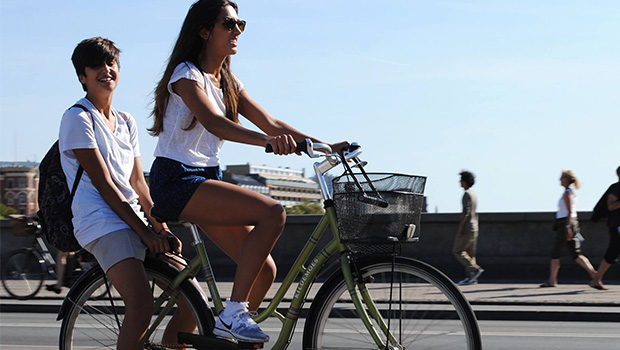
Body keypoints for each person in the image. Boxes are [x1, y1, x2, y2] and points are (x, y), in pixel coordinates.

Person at [148, 0, 347, 343]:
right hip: (176, 179)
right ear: (205, 31)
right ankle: (233, 314)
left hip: (206, 180)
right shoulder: (186, 75)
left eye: (241, 24)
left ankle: (220, 335)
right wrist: (270, 143)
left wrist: (328, 147)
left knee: (265, 272)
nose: (237, 30)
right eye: (229, 24)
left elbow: (271, 123)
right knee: (272, 212)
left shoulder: (228, 81)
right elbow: (215, 123)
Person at [60, 37, 184, 350]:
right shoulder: (77, 118)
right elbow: (104, 184)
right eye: (96, 65)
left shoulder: (127, 121)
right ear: (82, 76)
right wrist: (144, 232)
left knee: (192, 296)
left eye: (111, 63)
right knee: (142, 305)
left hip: (133, 220)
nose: (106, 70)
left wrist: (160, 226)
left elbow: (138, 184)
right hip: (101, 222)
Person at [540, 170, 597, 288]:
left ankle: (552, 280)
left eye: (561, 178)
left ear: (566, 179)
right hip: (567, 223)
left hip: (565, 223)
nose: (559, 180)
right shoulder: (570, 192)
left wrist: (567, 227)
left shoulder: (568, 193)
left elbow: (570, 211)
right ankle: (594, 274)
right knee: (575, 254)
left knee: (556, 252)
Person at [589, 165, 620, 290]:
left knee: (612, 252)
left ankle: (596, 280)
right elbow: (611, 206)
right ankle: (596, 280)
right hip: (617, 224)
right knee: (612, 252)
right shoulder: (616, 188)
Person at [453, 171, 484, 285]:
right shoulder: (473, 194)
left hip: (467, 227)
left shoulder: (466, 194)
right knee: (470, 254)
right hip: (475, 227)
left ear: (464, 181)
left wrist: (460, 228)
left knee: (458, 251)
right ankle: (472, 277)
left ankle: (475, 269)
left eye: (461, 179)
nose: (459, 182)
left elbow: (466, 213)